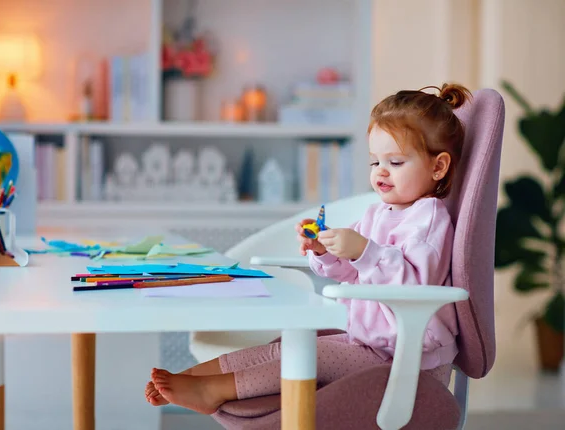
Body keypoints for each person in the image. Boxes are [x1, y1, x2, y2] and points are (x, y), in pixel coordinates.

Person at [144, 83, 472, 415]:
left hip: (410, 356)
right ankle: (195, 374)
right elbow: (346, 270)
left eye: (396, 162)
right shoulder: (378, 213)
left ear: (438, 167)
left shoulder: (428, 219)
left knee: (307, 357)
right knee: (286, 348)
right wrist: (324, 250)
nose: (381, 172)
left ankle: (212, 389)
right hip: (372, 342)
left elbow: (413, 285)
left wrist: (364, 252)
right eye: (375, 162)